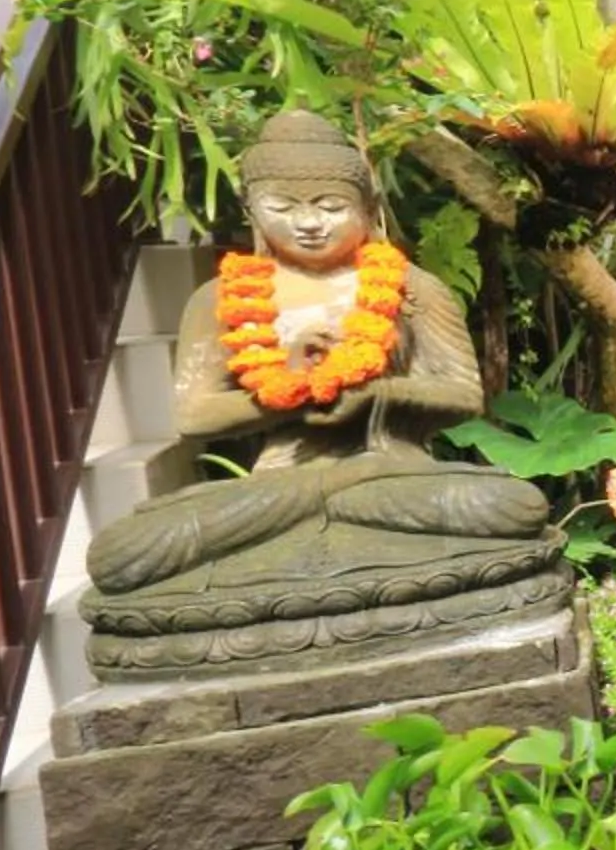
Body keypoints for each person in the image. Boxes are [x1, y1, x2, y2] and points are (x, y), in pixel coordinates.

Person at [82, 110, 562, 670]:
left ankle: (325, 514)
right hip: (279, 482)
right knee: (120, 557)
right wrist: (287, 385)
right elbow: (194, 416)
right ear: (252, 211)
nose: (309, 223)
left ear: (368, 210)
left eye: (331, 207)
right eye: (283, 208)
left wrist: (378, 394)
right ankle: (326, 509)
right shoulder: (217, 299)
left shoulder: (411, 290)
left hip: (391, 471)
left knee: (514, 507)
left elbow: (462, 395)